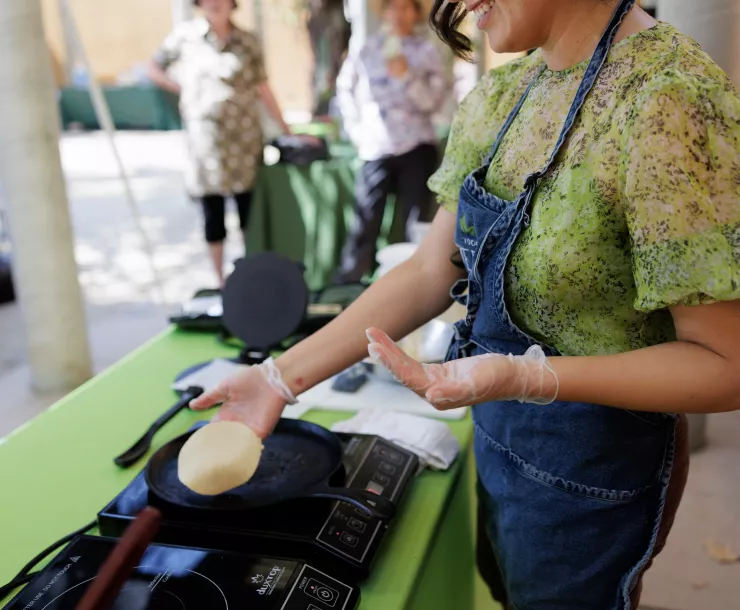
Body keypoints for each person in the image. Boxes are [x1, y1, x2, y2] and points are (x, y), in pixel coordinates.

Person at [190, 0, 740, 607]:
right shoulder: (505, 94)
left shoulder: (668, 100)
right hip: (501, 441)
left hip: (596, 478)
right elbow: (431, 269)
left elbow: (725, 364)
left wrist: (526, 375)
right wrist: (277, 379)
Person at [148, 0, 291, 286]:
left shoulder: (247, 41)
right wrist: (183, 88)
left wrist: (285, 128)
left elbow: (262, 86)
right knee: (212, 213)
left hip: (244, 141)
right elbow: (154, 67)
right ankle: (220, 281)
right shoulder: (185, 37)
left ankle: (251, 276)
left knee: (248, 212)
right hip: (207, 144)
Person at [335, 0, 448, 282]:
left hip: (416, 145)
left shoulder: (427, 52)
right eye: (392, 7)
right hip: (376, 146)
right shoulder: (366, 49)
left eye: (405, 7)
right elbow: (345, 90)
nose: (398, 14)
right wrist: (356, 130)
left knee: (416, 222)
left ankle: (419, 283)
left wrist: (407, 76)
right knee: (365, 221)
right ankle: (349, 284)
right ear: (384, 12)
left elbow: (434, 102)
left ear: (416, 13)